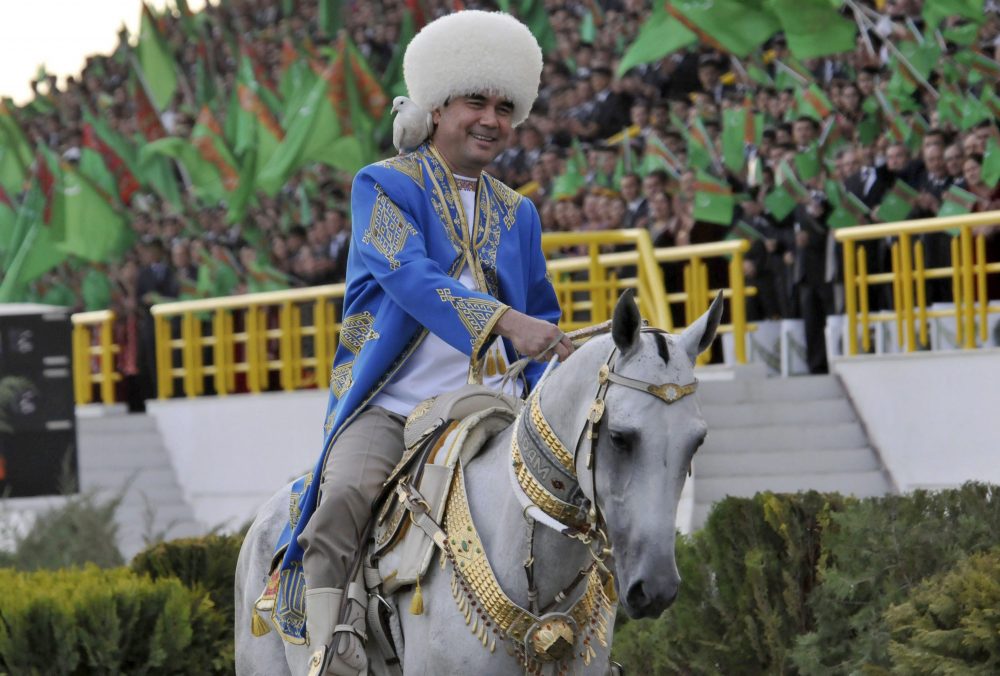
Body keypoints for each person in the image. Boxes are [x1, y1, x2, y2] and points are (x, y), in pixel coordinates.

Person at [278, 11, 574, 675]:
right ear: (438, 107)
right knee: (343, 501)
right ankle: (329, 653)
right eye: (477, 101)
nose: (491, 119)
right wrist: (504, 321)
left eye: (505, 106)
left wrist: (560, 357)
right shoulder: (383, 185)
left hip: (496, 407)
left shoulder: (518, 211)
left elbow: (543, 311)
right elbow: (410, 277)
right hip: (393, 406)